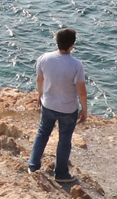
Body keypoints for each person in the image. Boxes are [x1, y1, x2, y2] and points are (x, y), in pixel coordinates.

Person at [29, 27, 88, 182]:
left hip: (48, 105)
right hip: (68, 109)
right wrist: (84, 110)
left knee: (42, 133)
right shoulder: (76, 65)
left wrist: (40, 95)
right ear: (72, 45)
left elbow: (39, 80)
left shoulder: (44, 58)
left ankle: (33, 165)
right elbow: (81, 92)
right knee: (64, 140)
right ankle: (61, 174)